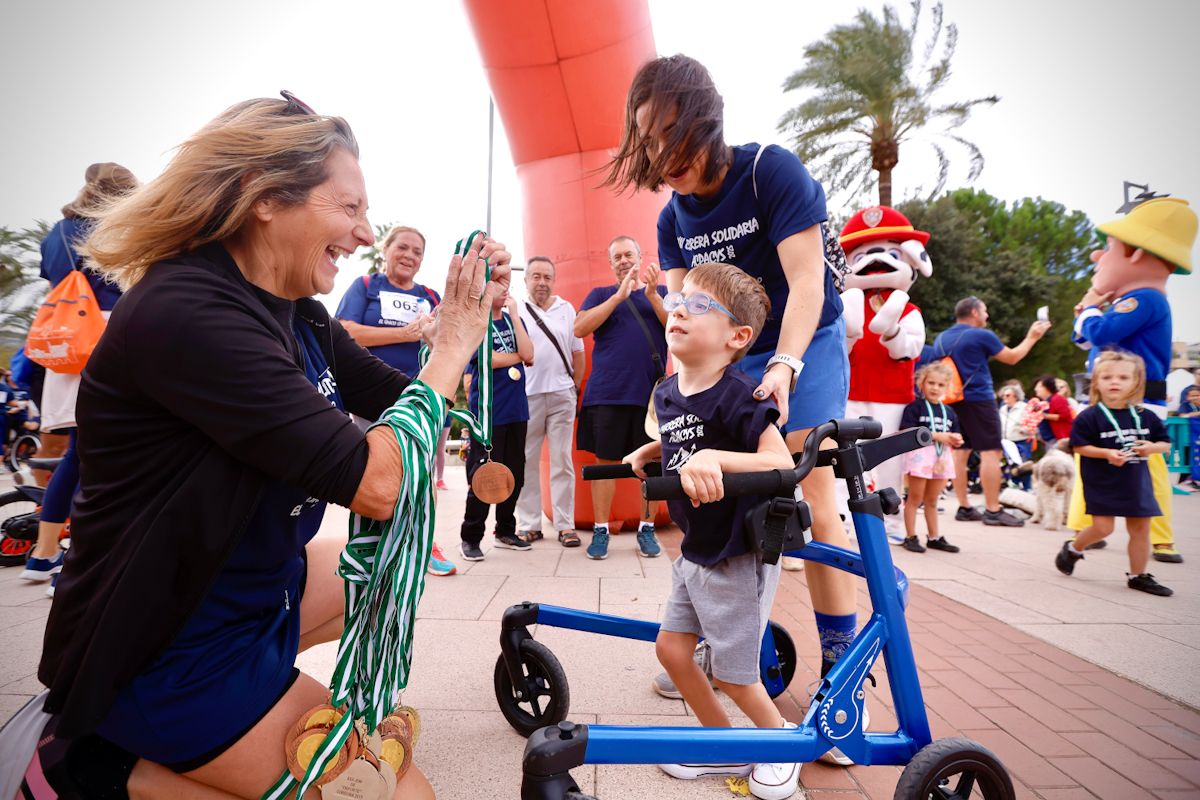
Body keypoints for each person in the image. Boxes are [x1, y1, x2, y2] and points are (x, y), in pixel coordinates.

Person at [37, 93, 512, 800]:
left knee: (377, 585)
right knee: (400, 794)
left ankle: (222, 735)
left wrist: (463, 326)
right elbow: (378, 481)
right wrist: (449, 349)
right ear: (265, 198)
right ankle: (101, 768)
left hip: (243, 589)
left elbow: (422, 414)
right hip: (166, 643)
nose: (362, 234)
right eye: (348, 208)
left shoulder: (301, 317)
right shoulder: (187, 312)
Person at [607, 56, 865, 723]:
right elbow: (681, 316)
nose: (664, 156)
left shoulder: (767, 171)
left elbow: (808, 282)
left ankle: (844, 678)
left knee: (805, 488)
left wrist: (783, 366)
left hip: (802, 341)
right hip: (730, 353)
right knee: (716, 495)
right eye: (649, 142)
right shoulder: (671, 220)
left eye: (673, 134)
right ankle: (721, 648)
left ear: (706, 118)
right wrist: (671, 412)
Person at [622, 263, 801, 799]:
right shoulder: (668, 392)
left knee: (735, 674)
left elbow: (778, 460)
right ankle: (723, 744)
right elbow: (686, 439)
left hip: (736, 552)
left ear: (736, 337)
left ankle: (780, 747)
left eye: (699, 305)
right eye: (678, 299)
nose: (678, 308)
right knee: (673, 652)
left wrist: (711, 457)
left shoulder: (743, 395)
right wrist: (656, 450)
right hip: (696, 550)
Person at [20, 162, 138, 595]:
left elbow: (56, 280)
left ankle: (43, 553)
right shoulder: (119, 226)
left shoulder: (56, 232)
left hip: (64, 342)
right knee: (105, 456)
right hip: (106, 336)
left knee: (77, 452)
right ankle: (72, 565)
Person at [1070, 197, 1195, 564]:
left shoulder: (1144, 299)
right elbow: (1083, 335)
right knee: (1094, 463)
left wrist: (1091, 306)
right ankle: (1086, 528)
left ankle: (1160, 537)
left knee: (1147, 466)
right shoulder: (1131, 300)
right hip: (1108, 398)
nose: (1098, 257)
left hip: (1137, 400)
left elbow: (1098, 331)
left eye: (1108, 249)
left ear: (1137, 254)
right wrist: (1089, 309)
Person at [334, 224, 455, 496]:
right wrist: (402, 334)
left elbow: (445, 341)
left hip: (416, 396)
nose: (409, 256)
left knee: (418, 472)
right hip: (369, 396)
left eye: (417, 252)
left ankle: (419, 536)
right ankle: (374, 537)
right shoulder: (366, 286)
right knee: (375, 474)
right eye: (402, 247)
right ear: (385, 249)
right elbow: (345, 332)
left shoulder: (430, 296)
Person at [573, 235, 666, 560]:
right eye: (617, 257)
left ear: (640, 258)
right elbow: (580, 327)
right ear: (611, 264)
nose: (624, 260)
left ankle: (647, 528)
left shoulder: (662, 293)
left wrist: (652, 296)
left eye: (629, 254)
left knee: (653, 465)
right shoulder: (601, 294)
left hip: (651, 399)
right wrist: (617, 298)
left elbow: (678, 328)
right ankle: (601, 529)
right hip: (607, 393)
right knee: (605, 463)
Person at [1055, 351, 1173, 596]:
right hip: (1103, 481)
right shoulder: (1089, 416)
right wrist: (1107, 454)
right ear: (1096, 382)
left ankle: (1138, 575)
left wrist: (1151, 448)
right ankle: (1074, 548)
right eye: (1107, 377)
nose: (1115, 382)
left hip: (1135, 482)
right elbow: (1079, 447)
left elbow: (1165, 443)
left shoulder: (1145, 416)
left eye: (1122, 377)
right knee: (1103, 528)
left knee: (1140, 529)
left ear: (1135, 381)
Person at [933, 296, 1051, 526]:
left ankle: (965, 507)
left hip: (952, 399)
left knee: (960, 452)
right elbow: (1012, 357)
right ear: (975, 312)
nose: (987, 316)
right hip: (979, 399)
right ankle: (992, 509)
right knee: (991, 452)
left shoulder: (942, 337)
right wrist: (1032, 336)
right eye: (985, 311)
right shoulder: (981, 334)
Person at [458, 291, 535, 561]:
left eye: (507, 282)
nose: (504, 288)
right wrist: (518, 357)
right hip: (488, 412)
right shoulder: (477, 322)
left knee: (514, 473)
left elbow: (530, 354)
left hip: (517, 411)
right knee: (483, 474)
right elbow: (487, 360)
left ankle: (505, 530)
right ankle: (470, 537)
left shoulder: (516, 321)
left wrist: (515, 316)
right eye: (497, 282)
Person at [516, 256, 586, 547]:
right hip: (528, 395)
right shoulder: (516, 309)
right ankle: (529, 524)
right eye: (536, 276)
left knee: (562, 461)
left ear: (553, 280)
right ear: (526, 279)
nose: (542, 282)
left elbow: (577, 352)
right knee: (527, 462)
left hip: (561, 395)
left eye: (547, 277)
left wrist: (574, 387)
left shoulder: (566, 309)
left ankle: (565, 524)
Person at [899, 363, 964, 553]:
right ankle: (910, 536)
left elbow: (955, 434)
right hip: (920, 457)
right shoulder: (915, 407)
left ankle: (934, 537)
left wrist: (956, 439)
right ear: (922, 383)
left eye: (941, 385)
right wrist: (937, 436)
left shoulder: (949, 412)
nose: (935, 388)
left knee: (933, 500)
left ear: (947, 387)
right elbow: (907, 431)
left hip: (942, 457)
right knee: (915, 498)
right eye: (931, 383)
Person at [998, 385, 1032, 490]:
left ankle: (1027, 487)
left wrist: (1023, 429)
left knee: (1023, 465)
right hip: (1007, 441)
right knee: (1010, 466)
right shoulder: (1003, 409)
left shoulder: (1024, 407)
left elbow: (1031, 424)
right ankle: (1014, 485)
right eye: (1003, 396)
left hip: (1021, 440)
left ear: (1016, 396)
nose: (1005, 398)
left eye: (1008, 395)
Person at [1034, 375, 1073, 447]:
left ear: (1047, 387)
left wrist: (1043, 415)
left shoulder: (1057, 399)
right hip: (1048, 439)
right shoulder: (1045, 402)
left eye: (1039, 386)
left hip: (1058, 439)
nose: (1036, 389)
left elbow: (1064, 415)